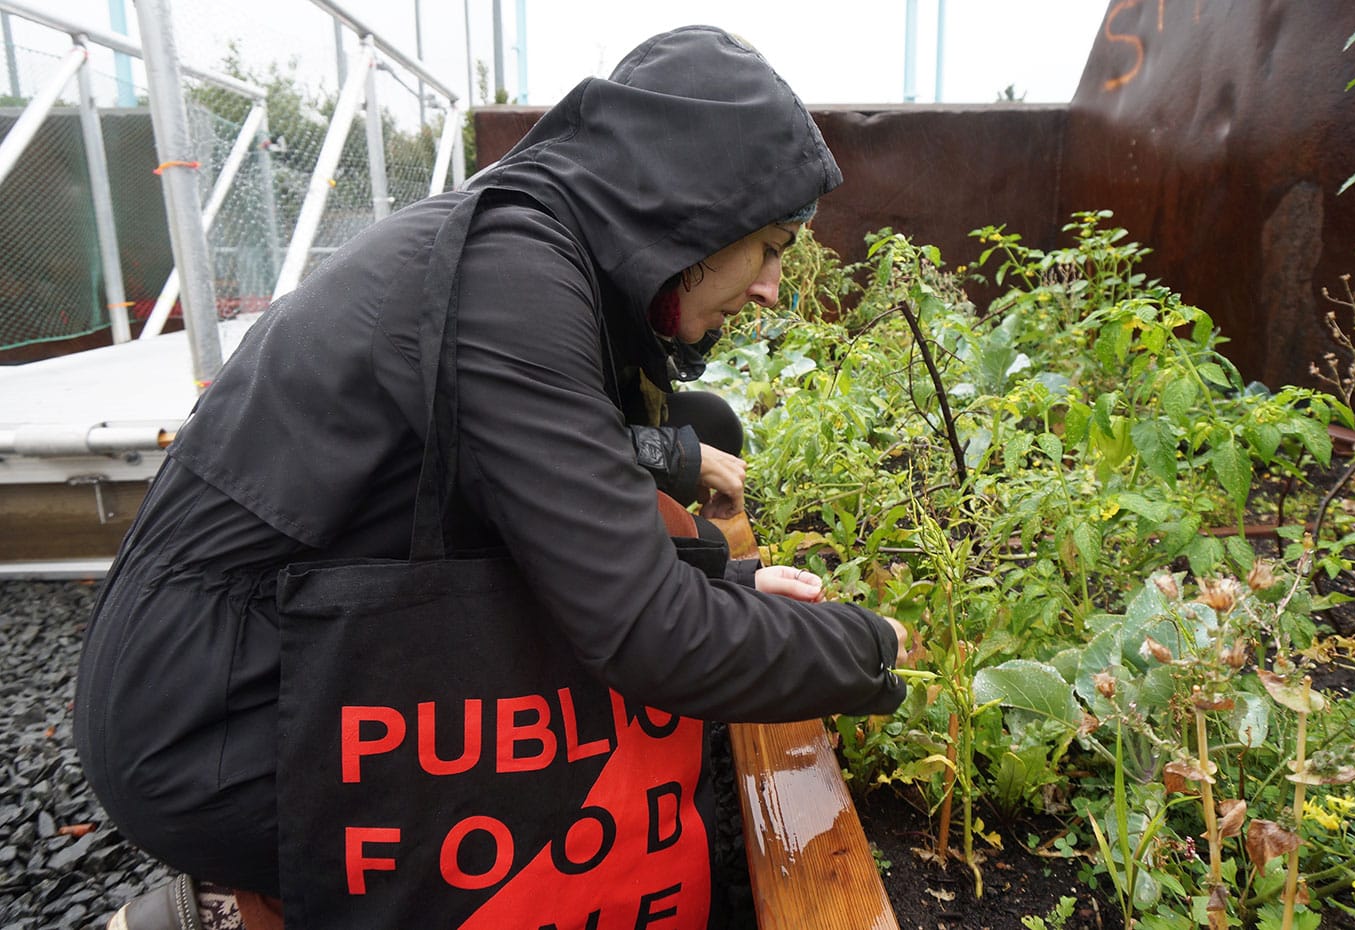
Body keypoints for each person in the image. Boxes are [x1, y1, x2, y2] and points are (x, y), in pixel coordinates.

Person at [77, 25, 907, 930]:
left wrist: (737, 586)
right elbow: (647, 638)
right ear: (695, 215)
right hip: (214, 726)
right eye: (772, 244)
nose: (773, 288)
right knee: (569, 750)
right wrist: (871, 652)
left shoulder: (533, 250)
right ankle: (223, 906)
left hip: (253, 665)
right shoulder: (511, 274)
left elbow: (543, 547)